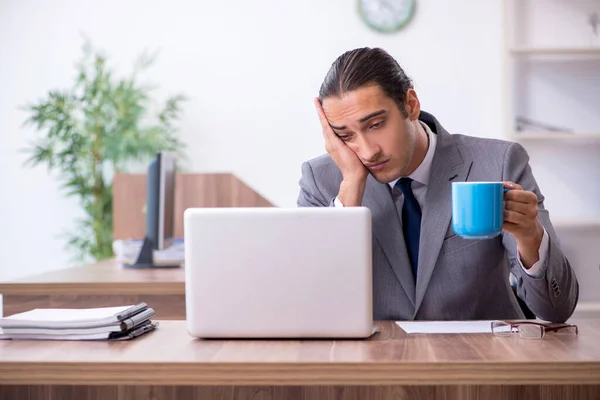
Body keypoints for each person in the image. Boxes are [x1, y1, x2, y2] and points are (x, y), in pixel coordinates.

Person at [297, 47, 578, 323]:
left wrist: (530, 238)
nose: (367, 151)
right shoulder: (321, 180)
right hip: (375, 363)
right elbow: (310, 303)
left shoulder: (499, 163)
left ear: (410, 104)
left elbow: (557, 309)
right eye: (346, 136)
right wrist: (350, 192)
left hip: (483, 362)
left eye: (376, 125)